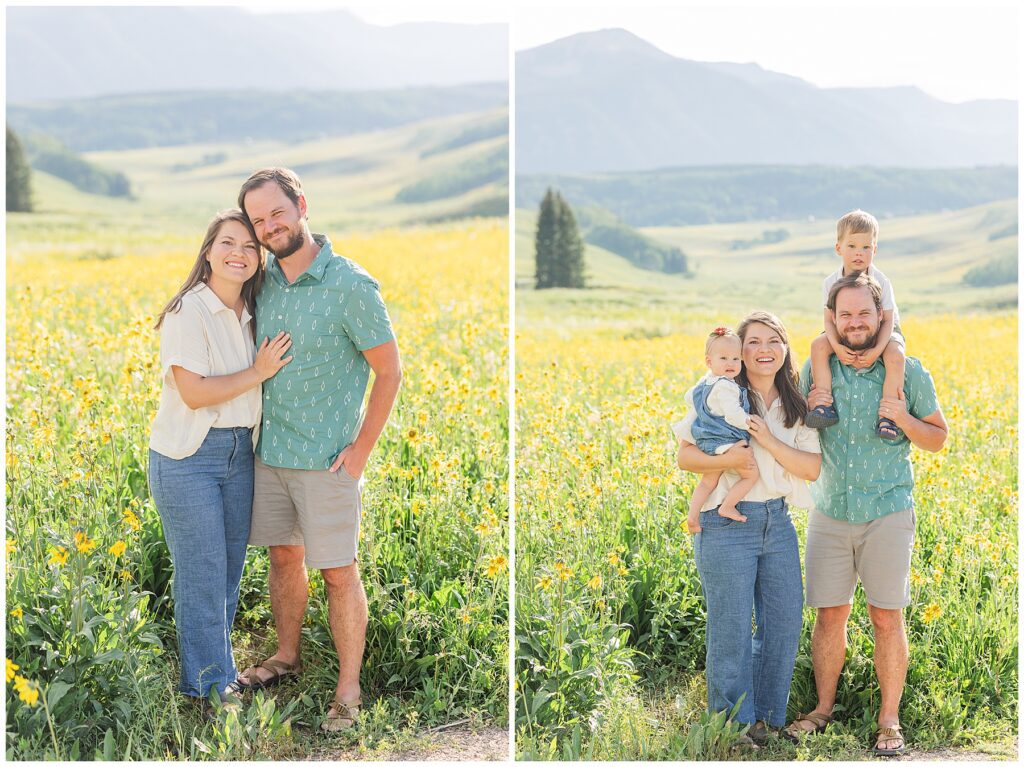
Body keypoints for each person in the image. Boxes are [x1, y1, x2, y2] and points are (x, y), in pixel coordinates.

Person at [233, 168, 403, 733]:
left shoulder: (351, 285)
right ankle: (287, 656)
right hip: (270, 453)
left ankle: (348, 687)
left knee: (338, 572)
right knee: (283, 557)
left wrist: (360, 452)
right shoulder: (264, 281)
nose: (269, 227)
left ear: (302, 204)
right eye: (258, 220)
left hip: (328, 461)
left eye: (276, 213)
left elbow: (389, 371)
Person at [784, 272, 947, 756]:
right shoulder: (818, 370)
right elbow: (787, 418)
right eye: (846, 314)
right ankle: (822, 709)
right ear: (833, 319)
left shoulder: (908, 371)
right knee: (829, 616)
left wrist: (902, 417)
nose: (856, 323)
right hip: (830, 510)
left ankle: (889, 721)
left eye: (864, 313)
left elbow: (937, 438)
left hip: (887, 511)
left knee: (886, 617)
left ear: (882, 316)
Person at [148, 209, 293, 714]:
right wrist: (258, 372)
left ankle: (216, 674)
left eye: (250, 246)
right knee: (204, 572)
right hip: (189, 456)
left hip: (238, 453)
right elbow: (192, 393)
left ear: (259, 259)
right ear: (208, 251)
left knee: (228, 571)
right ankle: (209, 688)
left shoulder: (252, 312)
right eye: (227, 242)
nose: (239, 253)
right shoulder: (189, 311)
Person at [674, 311, 821, 747]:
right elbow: (685, 456)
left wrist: (769, 441)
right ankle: (733, 727)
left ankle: (768, 719)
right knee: (732, 627)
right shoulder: (722, 392)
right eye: (753, 342)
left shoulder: (796, 403)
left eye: (773, 341)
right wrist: (729, 461)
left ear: (785, 348)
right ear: (739, 351)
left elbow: (811, 468)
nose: (763, 350)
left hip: (777, 522)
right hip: (726, 522)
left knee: (782, 622)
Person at [805, 210, 907, 440]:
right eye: (852, 246)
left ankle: (888, 416)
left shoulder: (881, 280)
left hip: (884, 331)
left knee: (896, 357)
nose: (859, 253)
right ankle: (823, 404)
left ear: (875, 250)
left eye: (866, 248)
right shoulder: (830, 282)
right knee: (818, 347)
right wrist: (837, 347)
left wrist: (877, 351)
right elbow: (828, 320)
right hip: (841, 329)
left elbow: (889, 320)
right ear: (838, 248)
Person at [683, 326, 759, 530]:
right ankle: (727, 505)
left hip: (708, 441)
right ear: (709, 361)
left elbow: (688, 398)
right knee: (751, 475)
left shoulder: (703, 384)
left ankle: (692, 517)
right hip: (728, 441)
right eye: (724, 358)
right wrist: (748, 421)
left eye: (736, 358)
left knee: (708, 481)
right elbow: (733, 414)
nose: (731, 364)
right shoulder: (726, 386)